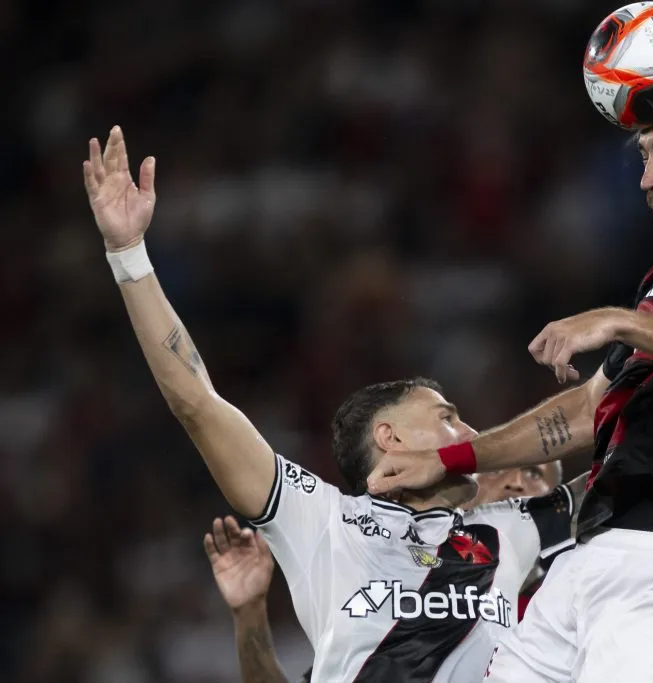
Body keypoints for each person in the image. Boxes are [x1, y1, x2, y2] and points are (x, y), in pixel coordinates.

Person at [366, 74, 653, 683]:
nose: (648, 179)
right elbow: (587, 412)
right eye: (644, 157)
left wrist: (620, 322)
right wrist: (453, 459)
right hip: (585, 557)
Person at [81, 127, 586, 682]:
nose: (469, 431)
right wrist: (129, 255)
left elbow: (627, 441)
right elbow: (198, 403)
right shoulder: (324, 523)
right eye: (446, 417)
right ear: (389, 438)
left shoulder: (509, 528)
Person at [202, 464, 563, 683]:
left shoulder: (572, 612)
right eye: (499, 467)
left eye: (535, 472)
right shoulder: (405, 600)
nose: (515, 481)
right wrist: (249, 612)